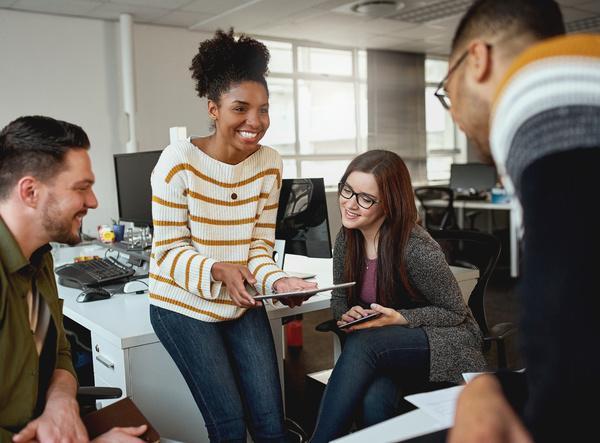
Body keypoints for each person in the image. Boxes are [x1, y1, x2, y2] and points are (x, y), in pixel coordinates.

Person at [437, 0, 600, 441]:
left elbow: (575, 394)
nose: (453, 113)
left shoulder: (548, 114)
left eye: (447, 91)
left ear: (478, 60)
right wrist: (492, 386)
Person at [148, 29, 316, 442]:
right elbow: (168, 252)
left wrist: (275, 281)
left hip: (241, 301)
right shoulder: (177, 162)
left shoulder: (269, 164)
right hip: (181, 304)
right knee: (227, 425)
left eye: (263, 109)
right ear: (214, 108)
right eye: (240, 108)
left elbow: (258, 247)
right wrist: (218, 269)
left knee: (270, 423)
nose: (255, 122)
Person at [310, 150, 486, 442]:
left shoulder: (415, 247)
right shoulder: (347, 238)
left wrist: (401, 317)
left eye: (365, 198)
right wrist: (346, 314)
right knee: (374, 400)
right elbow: (340, 296)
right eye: (348, 190)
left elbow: (456, 313)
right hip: (390, 348)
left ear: (389, 204)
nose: (350, 204)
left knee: (365, 343)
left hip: (444, 341)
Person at [0, 115, 147, 442]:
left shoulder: (39, 258)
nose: (93, 202)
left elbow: (60, 351)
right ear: (30, 191)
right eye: (82, 188)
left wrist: (60, 401)